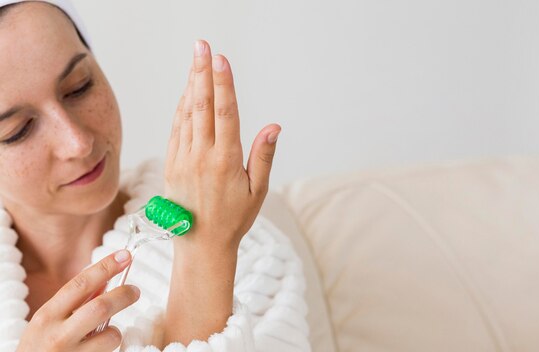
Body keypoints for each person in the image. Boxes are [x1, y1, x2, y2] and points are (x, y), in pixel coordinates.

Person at [0, 1, 310, 351]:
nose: (78, 143)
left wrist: (208, 254)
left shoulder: (253, 257)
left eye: (79, 87)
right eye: (18, 130)